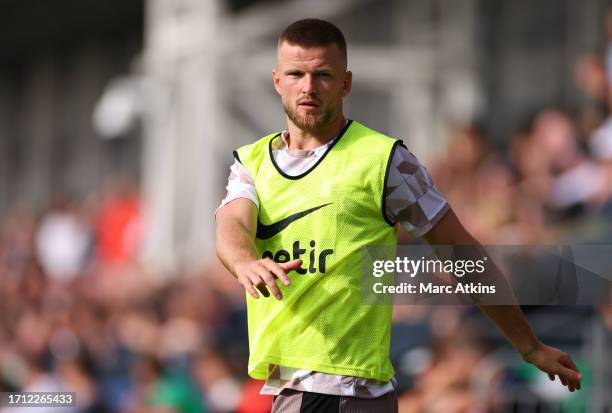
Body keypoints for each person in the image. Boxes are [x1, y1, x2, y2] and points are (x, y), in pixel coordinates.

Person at [215, 18, 583, 413]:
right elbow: (232, 222)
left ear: (345, 83)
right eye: (296, 74)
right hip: (310, 390)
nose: (308, 87)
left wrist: (528, 345)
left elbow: (462, 253)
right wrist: (245, 261)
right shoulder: (252, 162)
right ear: (277, 80)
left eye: (323, 74)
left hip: (334, 390)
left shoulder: (385, 161)